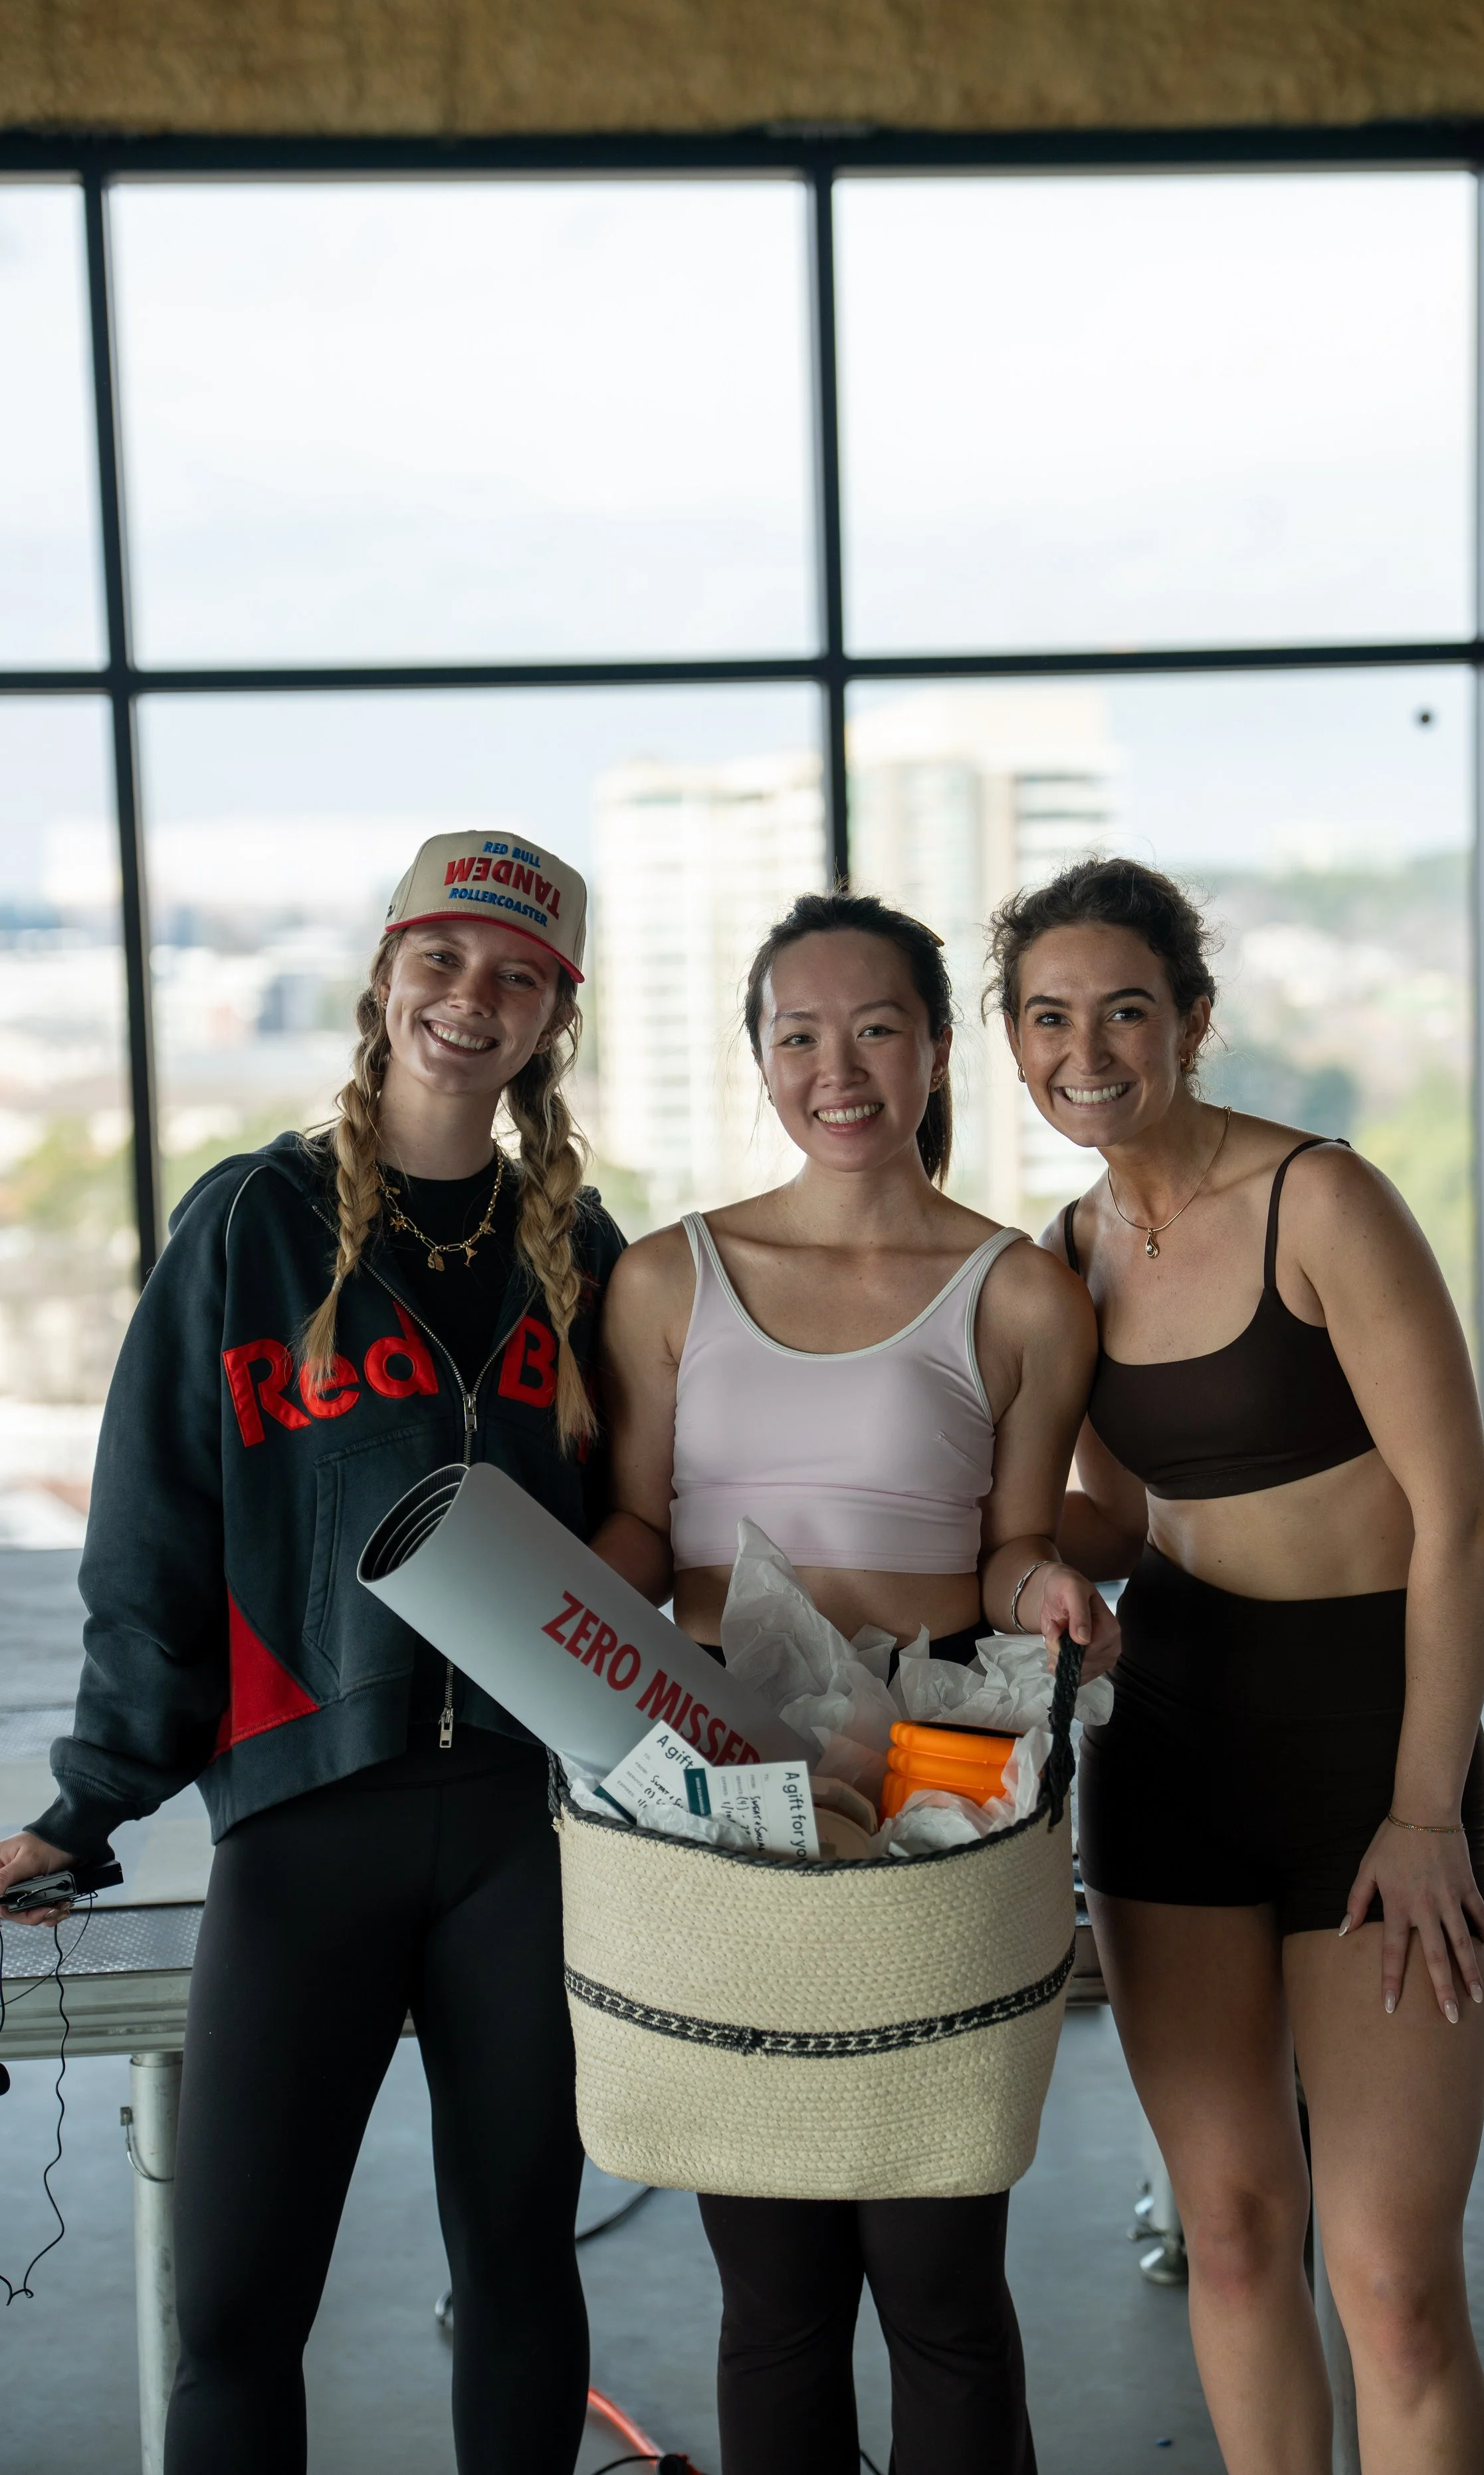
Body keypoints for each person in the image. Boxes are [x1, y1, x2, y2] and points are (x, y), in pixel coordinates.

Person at [0, 833, 622, 2475]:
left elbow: (637, 1539)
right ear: (382, 978)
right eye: (440, 960)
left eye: (513, 975)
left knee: (517, 2267)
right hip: (297, 1822)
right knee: (238, 2314)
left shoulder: (583, 1251)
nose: (468, 999)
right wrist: (91, 1803)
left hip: (522, 1834)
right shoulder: (250, 1228)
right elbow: (154, 1532)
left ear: (555, 1013)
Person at [590, 889, 1116, 2475]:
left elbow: (1013, 1545)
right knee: (773, 2293)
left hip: (931, 1787)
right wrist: (539, 1614)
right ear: (755, 1058)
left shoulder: (1017, 1292)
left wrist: (1055, 1589)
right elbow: (631, 1522)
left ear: (936, 1049)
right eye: (798, 1035)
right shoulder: (669, 1280)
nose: (838, 1068)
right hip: (718, 1790)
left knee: (942, 2281)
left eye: (876, 1028)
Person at [991, 853, 1484, 2475]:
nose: (1087, 1049)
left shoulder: (1320, 1201)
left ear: (1190, 1021)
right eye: (1048, 1016)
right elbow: (1132, 1522)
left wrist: (1423, 1810)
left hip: (1370, 1750)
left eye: (1124, 1009)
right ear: (1010, 1044)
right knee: (1226, 2231)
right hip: (1174, 1747)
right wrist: (967, 1533)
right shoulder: (1063, 1252)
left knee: (1392, 2283)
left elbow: (1461, 1518)